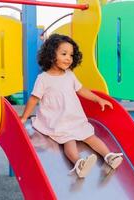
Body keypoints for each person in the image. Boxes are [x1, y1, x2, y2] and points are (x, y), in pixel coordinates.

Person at [20, 34, 123, 178]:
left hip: (74, 117)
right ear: (50, 55)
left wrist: (98, 99)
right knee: (69, 140)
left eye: (71, 55)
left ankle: (109, 156)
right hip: (56, 120)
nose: (68, 58)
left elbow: (81, 90)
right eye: (63, 54)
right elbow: (33, 99)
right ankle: (78, 163)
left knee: (90, 136)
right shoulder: (43, 79)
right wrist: (24, 117)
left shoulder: (69, 75)